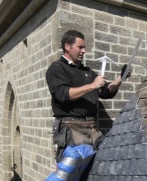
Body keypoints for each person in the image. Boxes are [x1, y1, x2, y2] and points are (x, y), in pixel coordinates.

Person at [46, 29, 126, 157]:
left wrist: (120, 78)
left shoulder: (87, 71)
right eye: (80, 47)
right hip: (71, 128)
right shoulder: (57, 68)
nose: (84, 51)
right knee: (73, 171)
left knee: (93, 169)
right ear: (67, 46)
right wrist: (92, 85)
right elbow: (63, 94)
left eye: (84, 47)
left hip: (92, 128)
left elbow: (106, 92)